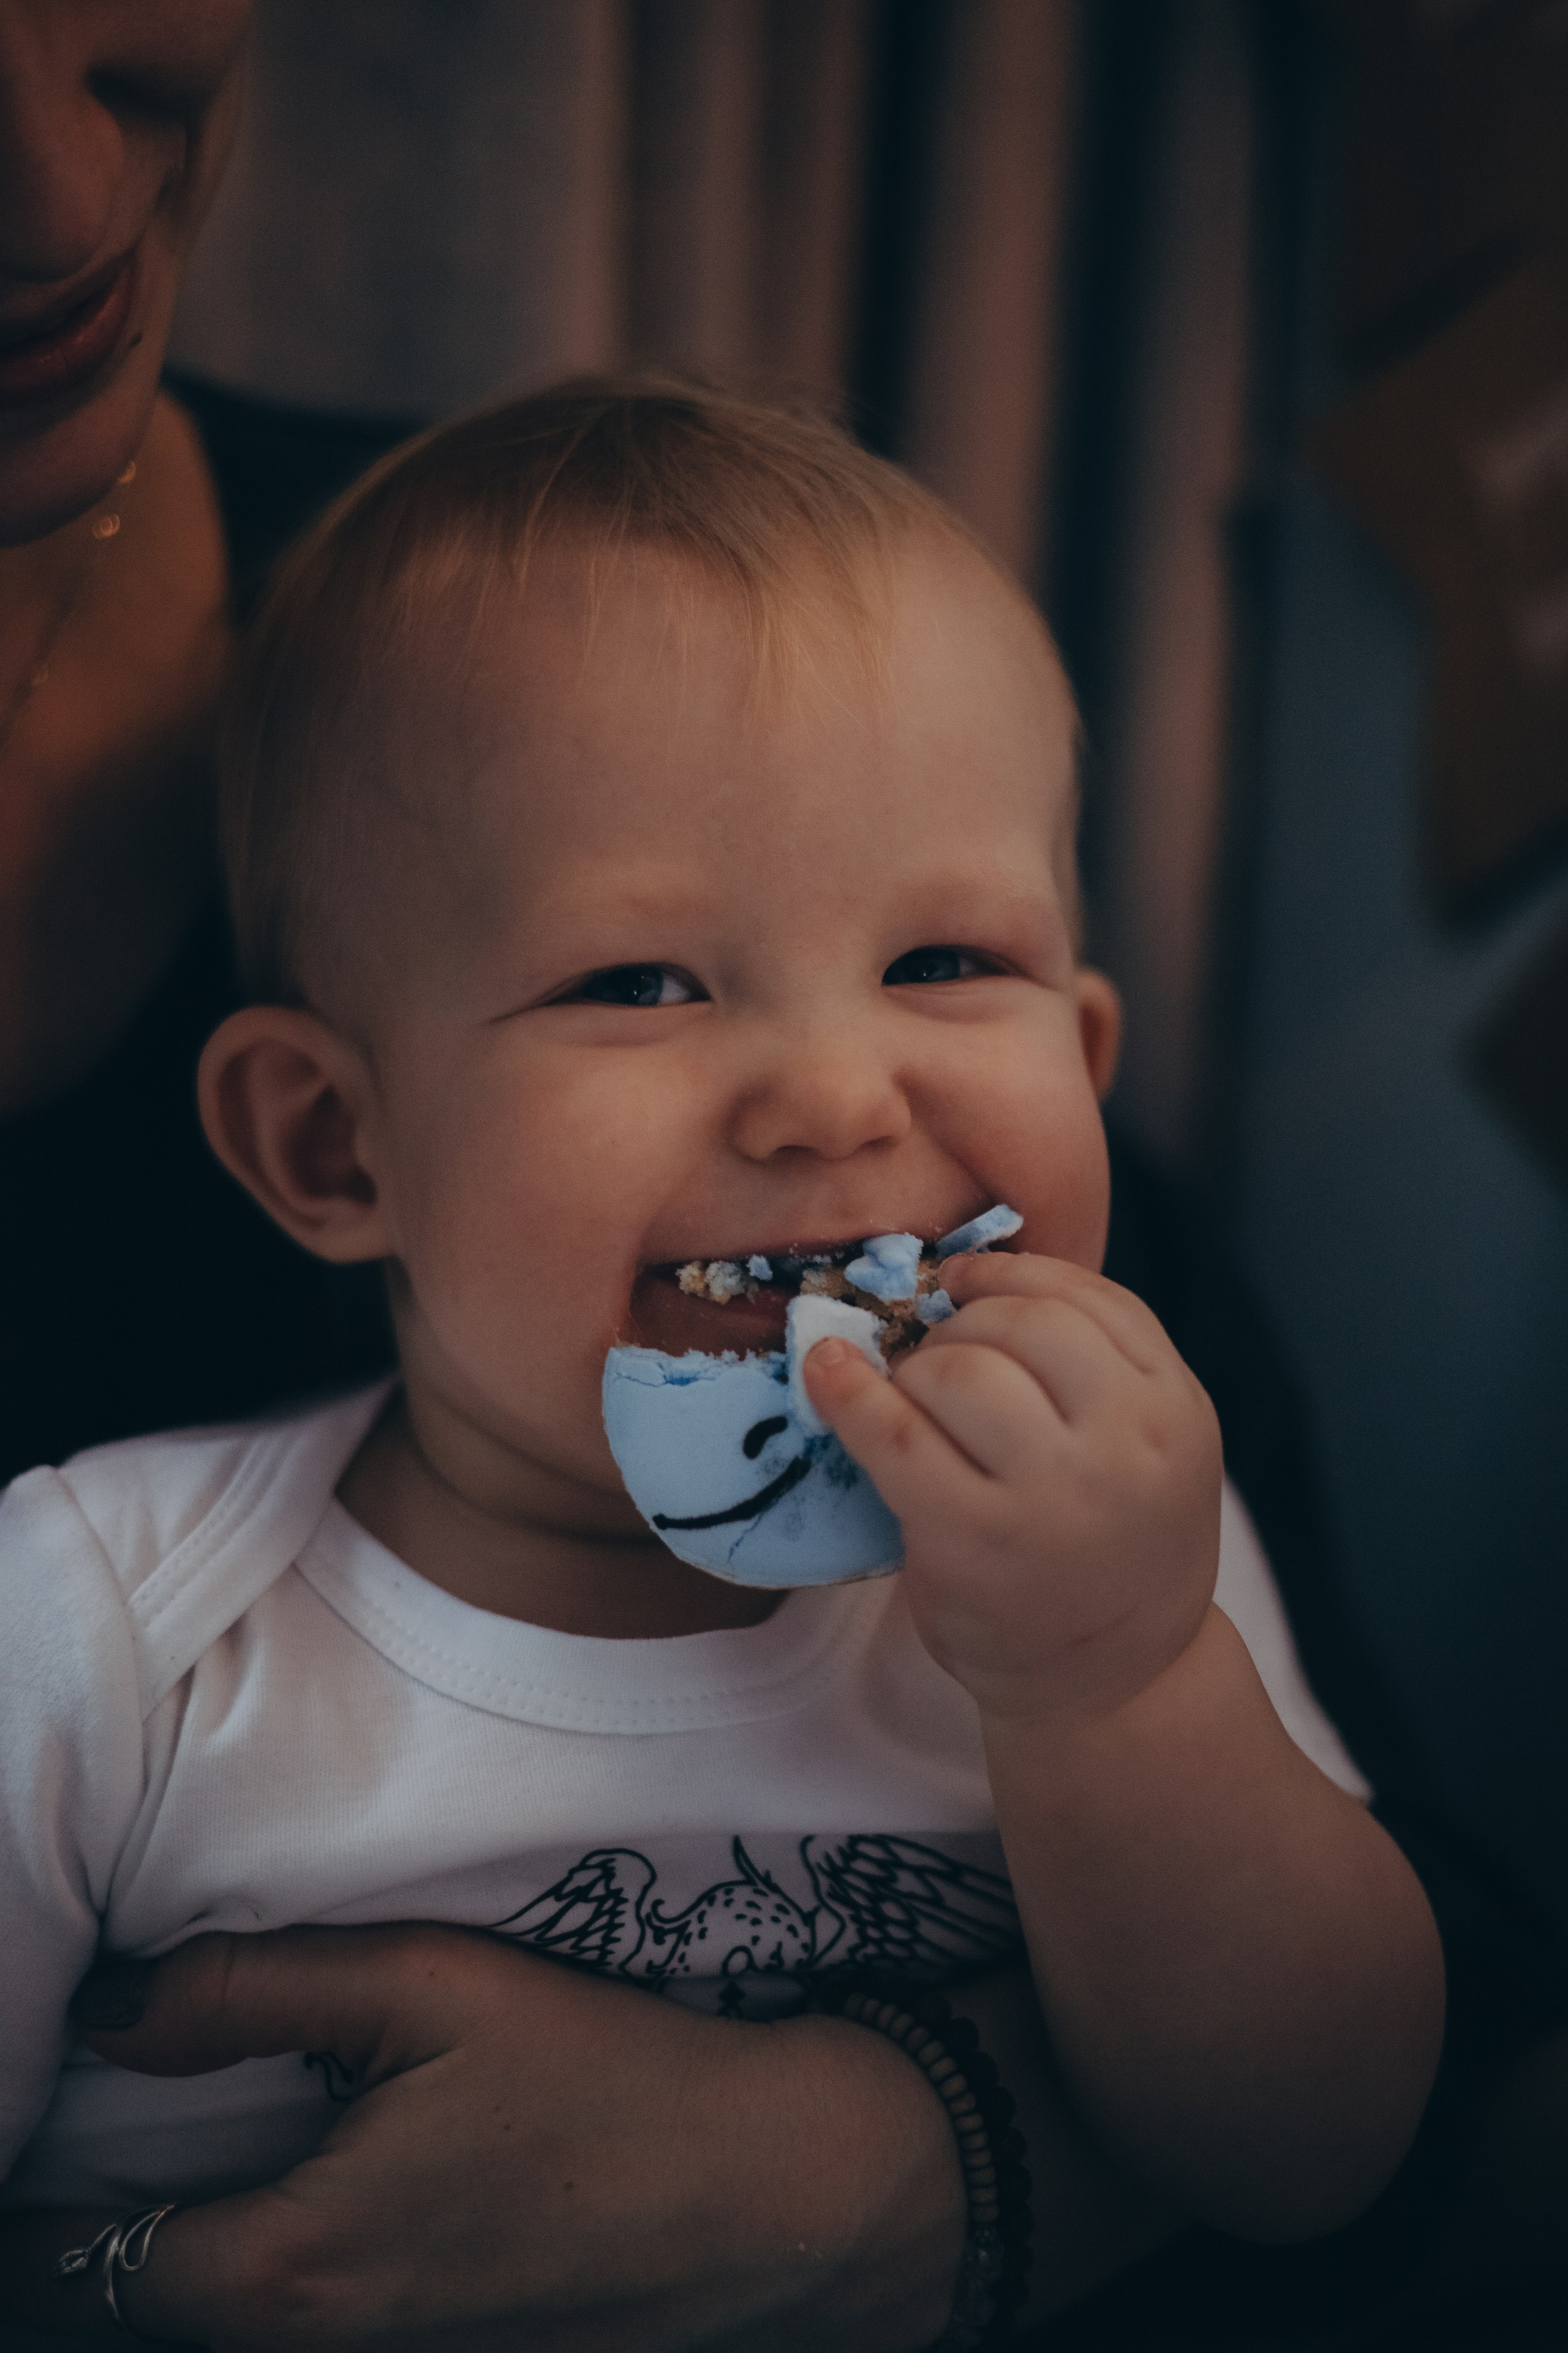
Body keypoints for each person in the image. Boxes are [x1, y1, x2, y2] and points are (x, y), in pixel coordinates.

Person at [0, 380, 1444, 2344]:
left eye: (946, 962)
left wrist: (1116, 1679)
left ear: (1088, 1069)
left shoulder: (1116, 1570)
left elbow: (1311, 2148)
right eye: (641, 981)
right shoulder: (110, 1622)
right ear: (341, 1146)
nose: (840, 1093)